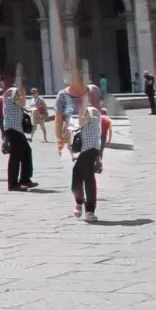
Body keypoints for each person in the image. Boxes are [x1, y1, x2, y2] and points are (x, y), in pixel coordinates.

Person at [69, 84, 110, 222]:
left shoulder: (91, 111)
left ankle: (83, 206)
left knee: (79, 176)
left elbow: (79, 124)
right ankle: (87, 208)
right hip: (92, 149)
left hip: (89, 149)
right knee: (87, 177)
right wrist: (99, 156)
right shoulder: (98, 112)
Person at [1, 79, 36, 191]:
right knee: (15, 155)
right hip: (13, 128)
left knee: (26, 152)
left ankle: (25, 179)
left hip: (15, 129)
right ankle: (13, 184)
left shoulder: (13, 92)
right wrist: (24, 95)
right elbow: (21, 103)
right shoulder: (13, 91)